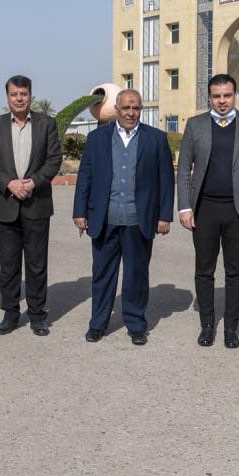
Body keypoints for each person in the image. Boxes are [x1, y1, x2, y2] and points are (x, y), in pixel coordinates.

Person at [72, 88, 173, 345]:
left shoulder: (156, 139)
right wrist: (79, 211)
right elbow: (85, 176)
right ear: (116, 109)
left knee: (136, 276)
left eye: (135, 108)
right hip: (104, 220)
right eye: (126, 107)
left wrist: (164, 216)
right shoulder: (97, 139)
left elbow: (165, 180)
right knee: (102, 276)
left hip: (139, 220)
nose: (130, 113)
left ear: (141, 110)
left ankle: (136, 324)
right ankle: (98, 324)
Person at [175, 73, 239, 349]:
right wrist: (185, 207)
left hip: (238, 209)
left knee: (235, 270)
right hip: (204, 209)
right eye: (216, 96)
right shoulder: (195, 126)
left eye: (227, 95)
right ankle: (207, 325)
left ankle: (230, 328)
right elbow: (184, 170)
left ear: (235, 95)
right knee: (204, 269)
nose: (222, 101)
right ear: (210, 98)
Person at [0, 75, 62, 336]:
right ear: (7, 97)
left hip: (37, 204)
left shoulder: (47, 124)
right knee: (9, 265)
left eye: (23, 94)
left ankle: (37, 315)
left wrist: (33, 182)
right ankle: (10, 314)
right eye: (14, 94)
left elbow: (54, 159)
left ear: (31, 96)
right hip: (6, 204)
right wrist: (9, 183)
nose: (19, 99)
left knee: (37, 265)